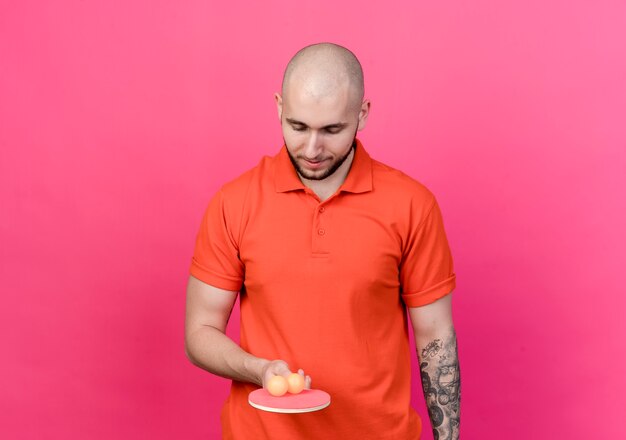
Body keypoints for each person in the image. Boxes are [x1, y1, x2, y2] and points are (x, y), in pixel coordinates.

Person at [185, 42, 461, 440]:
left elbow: (435, 336)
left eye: (332, 130)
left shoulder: (412, 204)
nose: (312, 149)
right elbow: (200, 331)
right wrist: (258, 370)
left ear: (362, 115)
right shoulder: (234, 203)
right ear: (279, 107)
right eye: (298, 127)